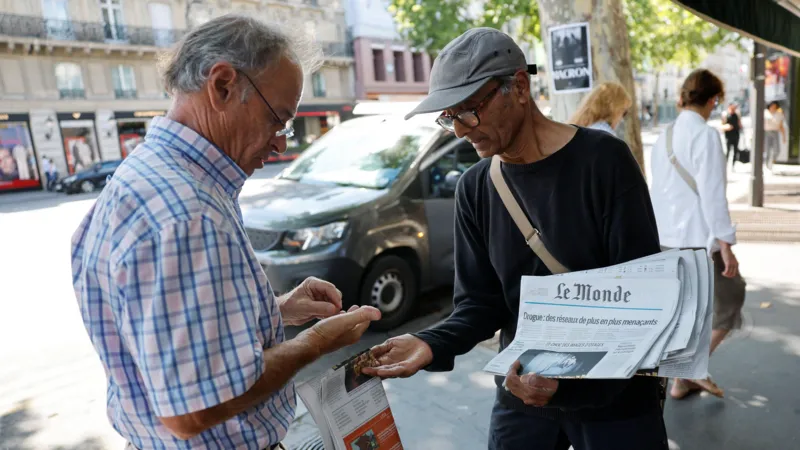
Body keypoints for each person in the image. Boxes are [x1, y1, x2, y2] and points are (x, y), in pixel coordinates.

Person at [71, 15, 381, 450]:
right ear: (222, 86)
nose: (281, 145)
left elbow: (172, 331)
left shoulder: (153, 178)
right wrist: (315, 342)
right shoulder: (187, 213)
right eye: (278, 120)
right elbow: (192, 410)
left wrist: (278, 310)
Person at [362, 28, 668, 450]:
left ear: (519, 87)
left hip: (614, 398)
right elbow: (480, 304)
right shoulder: (475, 188)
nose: (459, 131)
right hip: (522, 394)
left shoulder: (604, 161)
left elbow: (641, 297)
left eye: (468, 110)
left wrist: (569, 384)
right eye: (448, 117)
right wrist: (430, 342)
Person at [649, 69, 746, 400]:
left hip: (664, 240)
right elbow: (713, 195)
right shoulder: (705, 135)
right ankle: (686, 370)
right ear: (713, 99)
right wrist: (726, 245)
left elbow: (658, 191)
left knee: (686, 314)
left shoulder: (664, 136)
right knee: (731, 300)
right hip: (697, 241)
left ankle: (681, 379)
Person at [764, 100, 786, 171]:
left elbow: (781, 126)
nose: (773, 107)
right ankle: (767, 164)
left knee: (777, 150)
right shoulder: (765, 113)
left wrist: (784, 136)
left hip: (775, 132)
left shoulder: (779, 114)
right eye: (772, 106)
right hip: (767, 132)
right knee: (767, 150)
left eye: (775, 106)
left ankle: (772, 161)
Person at [722, 103, 742, 170]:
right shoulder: (726, 115)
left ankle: (733, 165)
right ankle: (726, 165)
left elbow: (740, 124)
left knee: (735, 151)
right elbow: (722, 125)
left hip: (736, 135)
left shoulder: (737, 115)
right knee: (728, 151)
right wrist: (727, 127)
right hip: (728, 135)